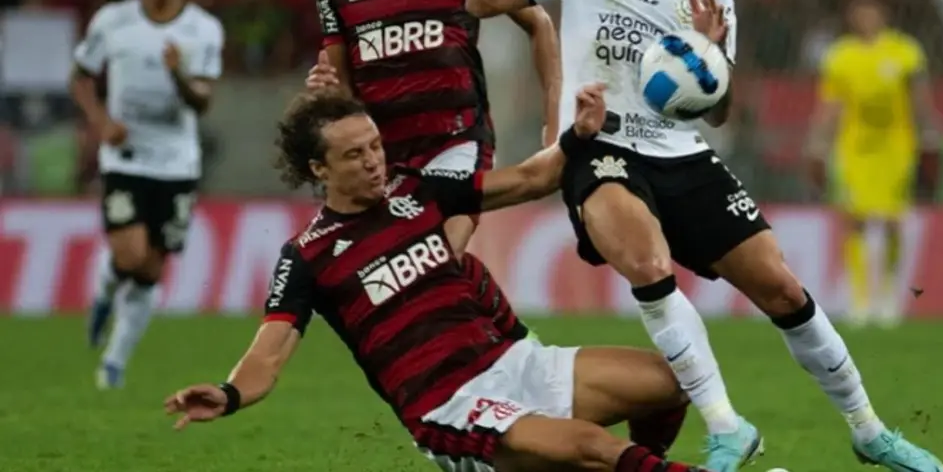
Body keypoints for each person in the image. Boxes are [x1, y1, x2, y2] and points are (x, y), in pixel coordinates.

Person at [464, 0, 943, 471]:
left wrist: (705, 53)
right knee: (647, 264)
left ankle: (869, 430)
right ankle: (726, 426)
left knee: (783, 289)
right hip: (598, 142)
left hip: (681, 152)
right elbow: (483, 0)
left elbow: (717, 111)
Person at [164, 85, 704, 472]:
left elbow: (528, 180)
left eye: (375, 145)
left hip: (513, 364)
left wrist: (576, 136)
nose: (375, 161)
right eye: (354, 154)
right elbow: (269, 355)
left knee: (671, 382)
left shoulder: (417, 191)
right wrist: (230, 394)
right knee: (594, 449)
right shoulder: (308, 255)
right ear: (318, 169)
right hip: (452, 404)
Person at [304, 0, 562, 263]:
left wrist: (554, 119)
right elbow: (341, 87)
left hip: (456, 140)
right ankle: (506, 327)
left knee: (431, 263)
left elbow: (539, 23)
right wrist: (325, 91)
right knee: (411, 286)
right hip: (384, 157)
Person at [70, 0, 225, 390]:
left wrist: (178, 72)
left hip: (177, 164)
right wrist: (101, 122)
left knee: (153, 269)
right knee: (131, 253)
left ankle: (114, 361)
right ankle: (103, 292)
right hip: (125, 158)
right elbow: (80, 77)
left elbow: (202, 102)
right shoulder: (112, 21)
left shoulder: (203, 30)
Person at [808, 0, 942, 327]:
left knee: (893, 220)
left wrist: (930, 132)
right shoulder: (840, 55)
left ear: (883, 14)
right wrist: (818, 141)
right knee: (855, 220)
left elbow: (919, 96)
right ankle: (860, 300)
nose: (865, 18)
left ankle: (888, 296)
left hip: (896, 146)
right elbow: (832, 103)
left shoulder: (904, 51)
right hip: (854, 148)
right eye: (859, 12)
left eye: (871, 11)